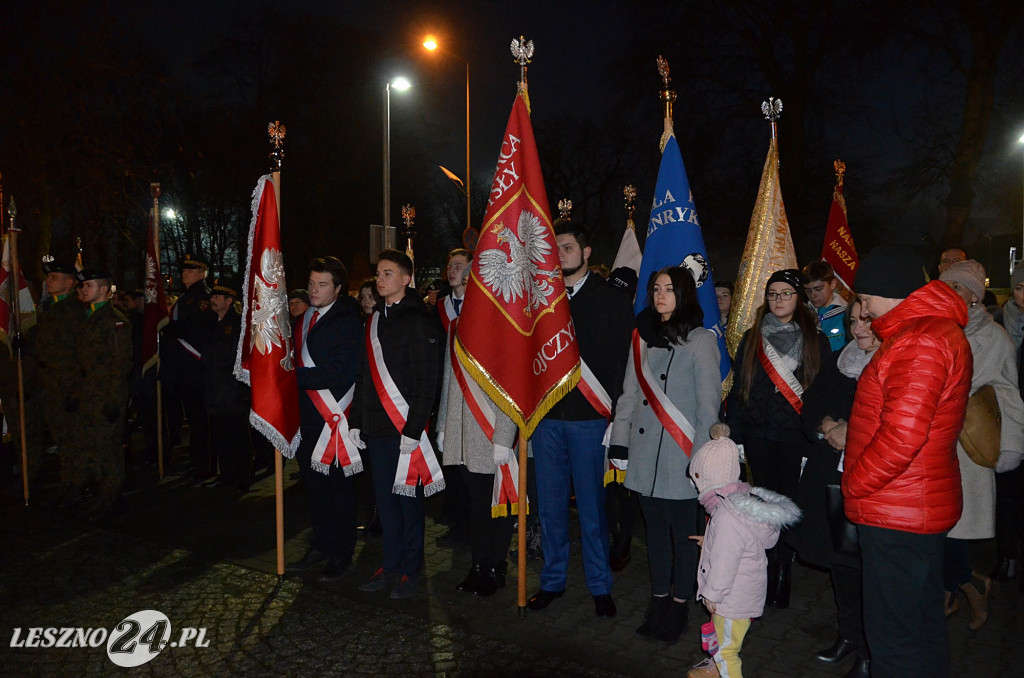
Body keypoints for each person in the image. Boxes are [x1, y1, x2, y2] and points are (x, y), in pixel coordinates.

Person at [842, 245, 972, 678]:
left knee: (895, 637)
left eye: (863, 297)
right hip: (909, 503)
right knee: (919, 626)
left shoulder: (919, 339)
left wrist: (855, 483)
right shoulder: (926, 331)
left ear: (885, 292)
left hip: (896, 508)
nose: (860, 306)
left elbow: (902, 436)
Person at [526, 222, 633, 618]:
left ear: (586, 253)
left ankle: (599, 585)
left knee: (592, 510)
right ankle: (552, 581)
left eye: (567, 247)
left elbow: (624, 363)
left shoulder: (611, 299)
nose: (560, 255)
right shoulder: (542, 300)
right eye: (554, 249)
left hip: (591, 419)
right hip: (548, 419)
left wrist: (617, 418)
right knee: (551, 509)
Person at [609, 266, 722, 642]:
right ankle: (657, 600)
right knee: (654, 536)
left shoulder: (701, 340)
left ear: (685, 294)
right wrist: (620, 441)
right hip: (645, 457)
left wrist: (702, 459)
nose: (661, 296)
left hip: (682, 456)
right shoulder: (641, 338)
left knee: (684, 537)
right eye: (656, 289)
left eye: (670, 289)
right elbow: (628, 392)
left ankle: (678, 604)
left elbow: (709, 405)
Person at [723, 268, 830, 608]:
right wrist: (736, 436)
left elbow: (820, 397)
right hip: (757, 437)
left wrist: (814, 436)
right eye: (773, 294)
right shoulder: (753, 338)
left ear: (798, 299)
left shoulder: (816, 339)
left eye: (786, 294)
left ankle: (783, 569)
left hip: (794, 439)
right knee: (761, 507)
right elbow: (741, 390)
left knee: (788, 506)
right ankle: (763, 569)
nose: (778, 300)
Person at [352, 249, 444, 599]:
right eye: (378, 273)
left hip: (404, 430)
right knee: (385, 504)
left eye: (388, 273)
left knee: (408, 504)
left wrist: (414, 428)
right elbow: (363, 375)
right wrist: (355, 422)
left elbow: (426, 380)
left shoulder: (419, 320)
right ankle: (389, 564)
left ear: (406, 279)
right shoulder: (374, 320)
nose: (380, 279)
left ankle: (410, 570)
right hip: (376, 429)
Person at [793, 300, 878, 678]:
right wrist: (828, 425)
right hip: (831, 477)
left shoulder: (897, 361)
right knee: (841, 565)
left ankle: (869, 651)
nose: (859, 329)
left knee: (868, 572)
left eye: (867, 321)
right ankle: (848, 635)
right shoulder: (841, 359)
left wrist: (852, 432)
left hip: (872, 483)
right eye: (854, 321)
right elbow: (812, 401)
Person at [938, 260, 1024, 630]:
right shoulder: (935, 328)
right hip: (930, 441)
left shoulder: (995, 338)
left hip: (966, 445)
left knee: (951, 526)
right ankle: (959, 588)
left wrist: (1011, 447)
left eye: (957, 287)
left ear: (975, 295)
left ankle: (969, 587)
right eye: (946, 287)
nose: (950, 293)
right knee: (935, 526)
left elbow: (1009, 394)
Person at [686, 428, 801, 678]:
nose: (695, 485)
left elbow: (725, 561)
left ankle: (721, 669)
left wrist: (712, 593)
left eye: (697, 479)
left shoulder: (726, 516)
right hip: (743, 593)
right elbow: (740, 543)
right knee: (723, 642)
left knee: (726, 652)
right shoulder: (739, 507)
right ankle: (715, 668)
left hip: (730, 599)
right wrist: (710, 541)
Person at [436, 267, 518, 596]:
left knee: (495, 506)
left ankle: (495, 565)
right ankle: (479, 563)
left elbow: (511, 388)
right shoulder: (457, 326)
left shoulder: (506, 329)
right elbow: (448, 378)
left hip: (492, 431)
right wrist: (442, 424)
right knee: (474, 504)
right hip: (460, 428)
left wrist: (503, 436)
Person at [287, 257, 364, 581]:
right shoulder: (304, 319)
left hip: (333, 419)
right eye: (312, 283)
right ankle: (320, 544)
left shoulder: (347, 321)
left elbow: (340, 372)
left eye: (322, 285)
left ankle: (341, 553)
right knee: (315, 489)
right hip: (308, 419)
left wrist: (292, 377)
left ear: (338, 289)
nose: (314, 290)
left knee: (339, 492)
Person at [74, 269, 133, 518]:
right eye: (83, 286)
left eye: (89, 285)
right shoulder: (88, 317)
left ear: (105, 290)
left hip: (106, 395)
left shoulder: (115, 320)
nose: (84, 289)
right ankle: (100, 492)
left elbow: (120, 364)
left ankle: (111, 497)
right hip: (89, 395)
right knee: (92, 445)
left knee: (108, 448)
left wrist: (115, 401)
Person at [32, 259, 86, 506]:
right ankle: (68, 481)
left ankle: (79, 483)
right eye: (49, 277)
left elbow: (80, 355)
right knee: (61, 437)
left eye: (54, 278)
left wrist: (75, 390)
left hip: (67, 384)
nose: (48, 281)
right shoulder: (49, 308)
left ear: (68, 283)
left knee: (74, 437)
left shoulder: (75, 311)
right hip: (51, 383)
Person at [160, 254, 214, 479]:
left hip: (195, 369)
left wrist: (167, 326)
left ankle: (204, 465)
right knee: (194, 421)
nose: (184, 275)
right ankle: (198, 462)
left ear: (202, 274)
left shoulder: (202, 297)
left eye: (190, 271)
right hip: (184, 369)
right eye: (184, 271)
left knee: (200, 421)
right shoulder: (187, 297)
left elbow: (194, 329)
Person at [435, 249, 474, 547]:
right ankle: (456, 521)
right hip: (446, 391)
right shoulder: (438, 308)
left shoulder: (479, 306)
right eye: (450, 266)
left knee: (471, 470)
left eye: (458, 266)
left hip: (473, 400)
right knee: (452, 467)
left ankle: (473, 525)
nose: (452, 270)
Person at [202, 280, 252, 492]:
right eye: (212, 296)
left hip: (233, 393)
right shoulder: (214, 323)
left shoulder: (238, 324)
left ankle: (241, 478)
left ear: (229, 301)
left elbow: (233, 358)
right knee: (222, 437)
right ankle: (227, 476)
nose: (212, 300)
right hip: (217, 392)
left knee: (237, 437)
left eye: (217, 297)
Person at [994, 265, 1024, 583]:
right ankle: (1007, 557)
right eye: (1019, 287)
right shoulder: (1002, 324)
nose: (1023, 294)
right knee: (1009, 496)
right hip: (1008, 418)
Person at [803, 261, 848, 352]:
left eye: (818, 289)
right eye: (808, 291)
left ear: (832, 284)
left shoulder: (847, 316)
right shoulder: (804, 315)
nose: (813, 295)